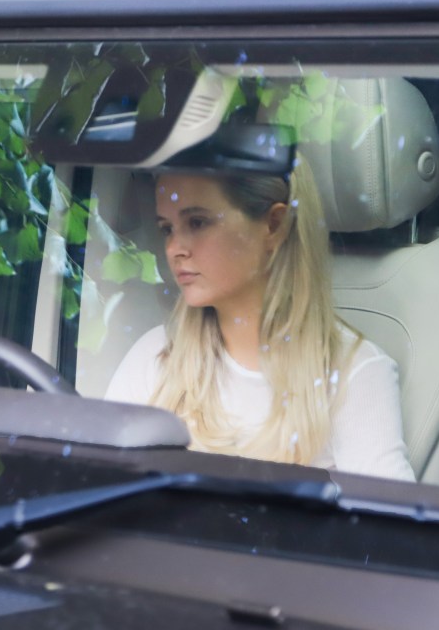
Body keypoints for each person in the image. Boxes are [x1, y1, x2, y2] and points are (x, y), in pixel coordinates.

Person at [105, 158, 415, 481]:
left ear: (274, 225)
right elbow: (93, 491)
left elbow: (393, 526)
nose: (173, 249)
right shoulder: (154, 358)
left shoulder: (354, 374)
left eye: (197, 222)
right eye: (167, 229)